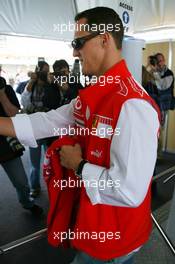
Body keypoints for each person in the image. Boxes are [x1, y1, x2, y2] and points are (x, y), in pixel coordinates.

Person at [0, 7, 160, 264]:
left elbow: (129, 190)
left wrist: (79, 165)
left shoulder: (132, 105)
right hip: (93, 230)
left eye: (78, 43)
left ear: (104, 39)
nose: (74, 52)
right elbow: (44, 122)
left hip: (114, 244)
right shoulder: (94, 96)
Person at [0, 77, 43, 215]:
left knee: (21, 181)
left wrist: (1, 94)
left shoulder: (6, 89)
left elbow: (13, 113)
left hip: (7, 145)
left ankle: (27, 203)